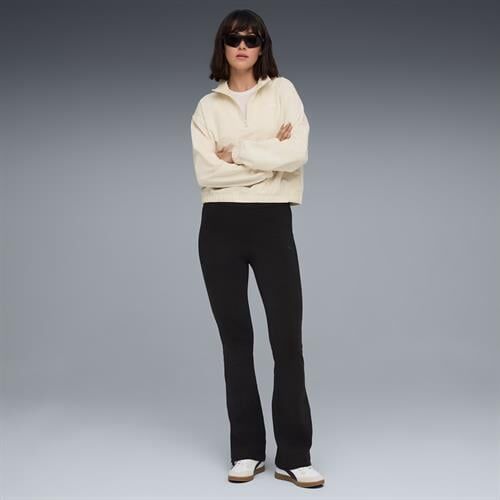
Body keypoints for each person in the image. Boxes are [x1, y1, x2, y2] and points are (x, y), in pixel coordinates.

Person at [190, 9, 325, 489]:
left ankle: (294, 456)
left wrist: (238, 151)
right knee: (236, 341)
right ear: (223, 47)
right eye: (234, 39)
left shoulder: (283, 91)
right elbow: (207, 174)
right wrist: (269, 156)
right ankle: (246, 450)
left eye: (251, 39)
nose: (243, 46)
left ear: (263, 45)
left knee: (287, 341)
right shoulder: (207, 108)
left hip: (272, 225)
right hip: (219, 228)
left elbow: (297, 154)